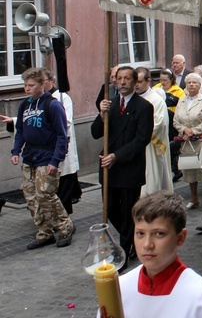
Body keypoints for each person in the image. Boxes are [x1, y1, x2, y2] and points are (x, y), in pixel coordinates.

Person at [115, 191, 202, 318]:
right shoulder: (120, 288)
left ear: (180, 238)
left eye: (159, 234)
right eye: (140, 233)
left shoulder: (199, 297)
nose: (147, 244)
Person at [91, 66, 154, 264]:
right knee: (110, 209)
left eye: (127, 78)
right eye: (120, 78)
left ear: (135, 82)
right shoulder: (109, 105)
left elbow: (141, 139)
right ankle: (132, 237)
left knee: (128, 212)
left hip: (128, 167)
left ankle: (125, 252)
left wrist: (117, 156)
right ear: (115, 81)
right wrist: (102, 115)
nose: (123, 82)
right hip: (109, 169)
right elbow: (95, 133)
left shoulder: (143, 107)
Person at [10, 67, 75, 249]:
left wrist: (55, 160)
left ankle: (65, 227)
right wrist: (16, 151)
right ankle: (44, 232)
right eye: (25, 85)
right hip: (30, 157)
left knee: (45, 194)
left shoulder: (53, 105)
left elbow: (62, 135)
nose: (27, 88)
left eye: (31, 85)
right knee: (31, 196)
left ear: (42, 85)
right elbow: (21, 131)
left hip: (47, 156)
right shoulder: (25, 105)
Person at [44, 69, 82, 214]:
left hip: (60, 146)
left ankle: (64, 217)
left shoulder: (61, 97)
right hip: (46, 149)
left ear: (51, 80)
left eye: (44, 81)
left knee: (63, 183)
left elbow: (66, 121)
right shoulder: (40, 99)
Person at [134, 67, 173, 196]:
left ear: (148, 81)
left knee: (150, 186)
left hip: (150, 148)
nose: (136, 85)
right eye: (134, 81)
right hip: (132, 148)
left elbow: (157, 124)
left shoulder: (156, 100)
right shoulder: (131, 99)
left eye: (139, 81)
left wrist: (133, 132)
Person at [173, 73, 202, 209]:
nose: (191, 85)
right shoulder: (181, 100)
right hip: (186, 141)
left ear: (200, 85)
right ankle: (194, 198)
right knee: (190, 169)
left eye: (195, 82)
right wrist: (184, 130)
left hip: (201, 140)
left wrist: (194, 130)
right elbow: (175, 120)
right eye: (189, 83)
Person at [155, 69, 186, 181]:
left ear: (171, 80)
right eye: (161, 80)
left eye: (165, 80)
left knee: (171, 149)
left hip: (172, 121)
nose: (162, 82)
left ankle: (174, 170)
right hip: (159, 120)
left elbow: (181, 106)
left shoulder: (178, 90)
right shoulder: (156, 89)